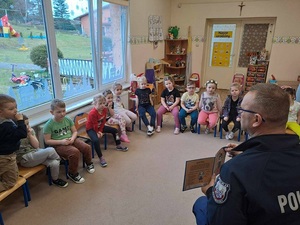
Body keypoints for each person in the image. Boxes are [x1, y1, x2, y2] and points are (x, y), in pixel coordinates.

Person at [193, 83, 300, 225]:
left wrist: (210, 191)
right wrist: (249, 153)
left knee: (200, 204)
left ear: (256, 120)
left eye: (242, 109)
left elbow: (220, 220)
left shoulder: (233, 171)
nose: (240, 113)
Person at [43, 99, 95, 184]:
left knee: (86, 147)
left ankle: (89, 163)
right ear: (52, 112)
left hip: (71, 139)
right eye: (59, 112)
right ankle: (72, 173)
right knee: (75, 152)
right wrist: (62, 142)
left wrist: (72, 139)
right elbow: (47, 141)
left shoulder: (67, 119)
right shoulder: (48, 125)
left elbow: (75, 132)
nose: (62, 114)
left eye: (64, 111)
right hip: (58, 145)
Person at [16, 114, 68, 188]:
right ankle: (59, 158)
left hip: (36, 153)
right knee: (51, 150)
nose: (27, 126)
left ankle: (55, 180)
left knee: (54, 163)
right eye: (24, 125)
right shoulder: (16, 135)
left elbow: (36, 145)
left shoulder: (30, 131)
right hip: (25, 158)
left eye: (28, 124)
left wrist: (30, 135)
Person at [86, 94, 128, 168]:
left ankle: (118, 145)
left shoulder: (105, 109)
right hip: (91, 129)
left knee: (115, 130)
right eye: (100, 103)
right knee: (95, 140)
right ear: (95, 104)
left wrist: (101, 130)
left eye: (103, 103)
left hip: (99, 127)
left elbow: (103, 122)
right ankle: (101, 157)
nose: (102, 105)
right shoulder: (92, 113)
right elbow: (94, 125)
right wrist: (98, 132)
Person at [0, 94, 27, 192]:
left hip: (3, 155)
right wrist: (20, 120)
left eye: (16, 107)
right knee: (10, 182)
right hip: (6, 157)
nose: (15, 110)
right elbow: (22, 134)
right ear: (1, 112)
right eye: (11, 109)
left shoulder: (5, 121)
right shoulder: (6, 125)